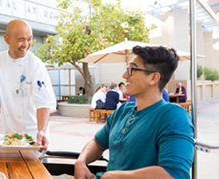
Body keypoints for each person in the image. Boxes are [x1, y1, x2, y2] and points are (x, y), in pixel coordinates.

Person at [75, 46, 194, 179]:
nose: (125, 75)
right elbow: (98, 143)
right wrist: (81, 161)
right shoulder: (123, 110)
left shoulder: (173, 116)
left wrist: (117, 177)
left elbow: (176, 174)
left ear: (153, 78)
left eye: (131, 69)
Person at [0, 19, 56, 155]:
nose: (26, 45)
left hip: (34, 135)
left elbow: (43, 101)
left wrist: (42, 130)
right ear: (7, 39)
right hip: (6, 134)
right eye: (21, 40)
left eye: (29, 39)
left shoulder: (35, 65)